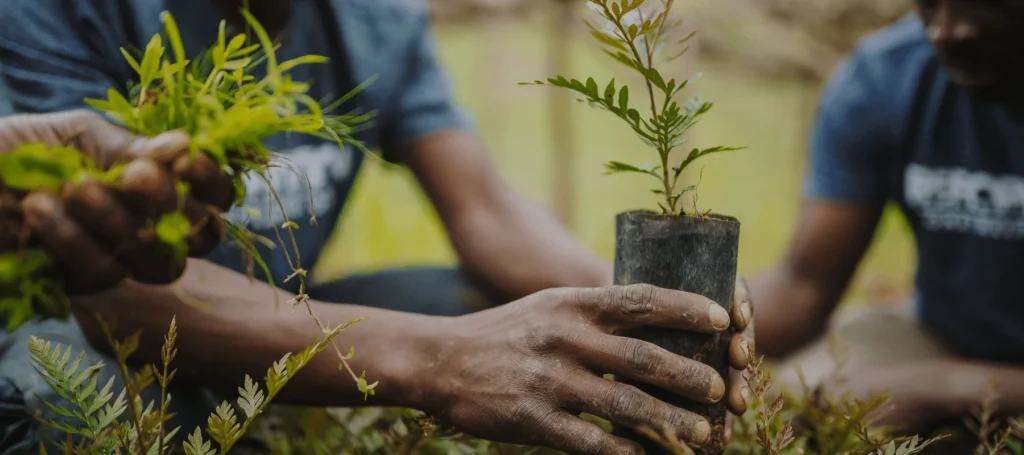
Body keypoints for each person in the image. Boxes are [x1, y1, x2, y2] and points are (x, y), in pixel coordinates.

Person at [0, 1, 755, 454]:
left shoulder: (375, 17)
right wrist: (441, 362)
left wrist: (633, 312)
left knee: (472, 300)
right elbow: (113, 292)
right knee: (66, 393)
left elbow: (486, 212)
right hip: (83, 331)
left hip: (284, 314)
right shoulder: (60, 11)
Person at [751, 0, 1024, 436]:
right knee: (793, 406)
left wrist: (950, 387)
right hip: (944, 338)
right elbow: (802, 289)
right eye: (930, 3)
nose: (948, 31)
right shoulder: (885, 77)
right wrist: (671, 314)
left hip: (952, 369)